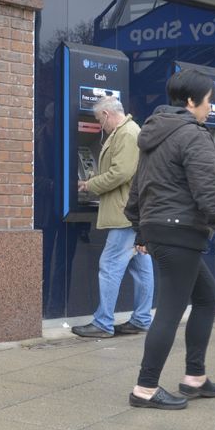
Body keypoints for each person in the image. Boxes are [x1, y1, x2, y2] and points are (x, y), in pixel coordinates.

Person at [124, 69, 215, 410]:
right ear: (190, 102)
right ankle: (145, 388)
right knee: (169, 310)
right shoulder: (192, 136)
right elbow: (211, 193)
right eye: (209, 101)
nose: (211, 108)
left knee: (207, 297)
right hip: (178, 231)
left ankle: (194, 378)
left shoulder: (154, 134)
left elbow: (138, 189)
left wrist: (142, 229)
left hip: (162, 229)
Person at [71, 96, 154, 339]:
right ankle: (140, 319)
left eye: (99, 120)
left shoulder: (127, 134)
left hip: (124, 213)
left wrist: (89, 185)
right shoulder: (127, 131)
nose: (99, 126)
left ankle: (103, 322)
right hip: (131, 212)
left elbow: (121, 172)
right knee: (142, 268)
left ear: (107, 114)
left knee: (109, 266)